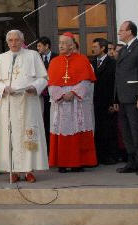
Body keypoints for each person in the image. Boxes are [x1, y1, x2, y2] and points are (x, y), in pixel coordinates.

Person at [0, 30, 49, 183]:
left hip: (28, 101)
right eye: (10, 40)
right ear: (7, 42)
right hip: (9, 103)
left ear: (22, 41)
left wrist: (34, 87)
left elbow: (44, 78)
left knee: (28, 134)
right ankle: (13, 170)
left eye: (17, 40)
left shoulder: (33, 55)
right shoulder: (1, 58)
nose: (14, 43)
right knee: (9, 135)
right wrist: (3, 88)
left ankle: (29, 170)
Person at [47, 33, 97, 172]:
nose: (61, 45)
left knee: (78, 129)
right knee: (61, 130)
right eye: (60, 43)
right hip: (61, 103)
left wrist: (73, 93)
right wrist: (61, 94)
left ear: (72, 45)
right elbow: (51, 83)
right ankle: (62, 163)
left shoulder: (82, 60)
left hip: (77, 103)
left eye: (64, 43)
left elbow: (86, 82)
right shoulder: (54, 62)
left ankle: (78, 163)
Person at [114, 20, 138, 175]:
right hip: (123, 97)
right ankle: (132, 161)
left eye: (122, 30)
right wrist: (115, 99)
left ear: (130, 32)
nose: (119, 33)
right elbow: (119, 76)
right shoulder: (124, 49)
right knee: (126, 131)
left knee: (137, 131)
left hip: (135, 96)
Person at [91, 38, 119, 165]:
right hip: (95, 101)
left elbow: (116, 84)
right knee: (98, 129)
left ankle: (111, 156)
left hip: (108, 101)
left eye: (95, 47)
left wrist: (114, 101)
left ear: (103, 48)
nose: (93, 49)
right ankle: (99, 155)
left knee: (109, 129)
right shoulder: (91, 63)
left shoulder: (112, 63)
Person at [37, 36, 57, 141]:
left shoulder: (57, 57)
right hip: (41, 94)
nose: (38, 48)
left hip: (54, 94)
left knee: (53, 119)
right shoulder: (37, 58)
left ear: (46, 46)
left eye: (40, 46)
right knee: (43, 118)